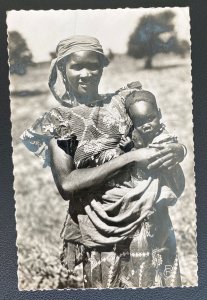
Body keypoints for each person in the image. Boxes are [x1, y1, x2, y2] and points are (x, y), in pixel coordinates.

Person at [21, 35, 186, 288]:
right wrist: (130, 158)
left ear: (102, 67)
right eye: (77, 66)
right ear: (62, 69)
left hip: (151, 220)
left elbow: (156, 132)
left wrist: (178, 149)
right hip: (104, 232)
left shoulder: (123, 102)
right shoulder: (61, 121)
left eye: (93, 65)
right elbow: (67, 184)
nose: (86, 74)